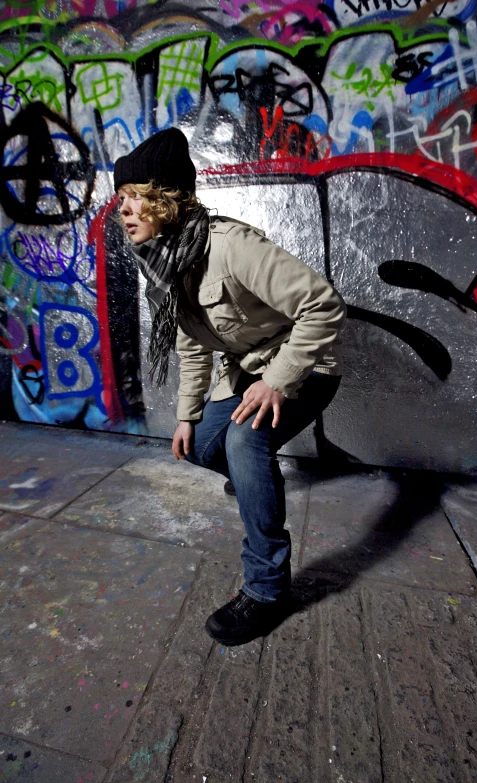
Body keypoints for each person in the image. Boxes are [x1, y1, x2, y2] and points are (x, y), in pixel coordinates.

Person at [114, 128, 346, 646]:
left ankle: (266, 589)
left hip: (306, 366)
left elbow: (324, 305)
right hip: (247, 372)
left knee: (246, 440)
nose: (123, 212)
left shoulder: (229, 247)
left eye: (134, 199)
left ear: (165, 200)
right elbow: (193, 343)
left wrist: (279, 382)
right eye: (120, 201)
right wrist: (185, 414)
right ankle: (252, 480)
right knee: (198, 444)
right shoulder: (165, 264)